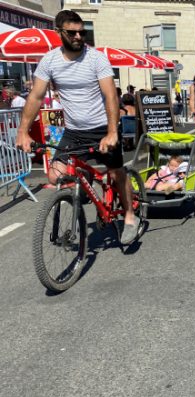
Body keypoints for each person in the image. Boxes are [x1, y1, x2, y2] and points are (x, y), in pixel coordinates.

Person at [15, 10, 139, 244]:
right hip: (74, 131)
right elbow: (35, 96)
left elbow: (110, 95)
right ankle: (85, 184)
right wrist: (22, 131)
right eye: (72, 32)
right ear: (59, 32)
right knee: (55, 175)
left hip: (103, 127)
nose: (79, 36)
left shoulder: (96, 58)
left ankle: (130, 216)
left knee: (115, 171)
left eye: (82, 32)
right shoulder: (50, 60)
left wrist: (112, 131)